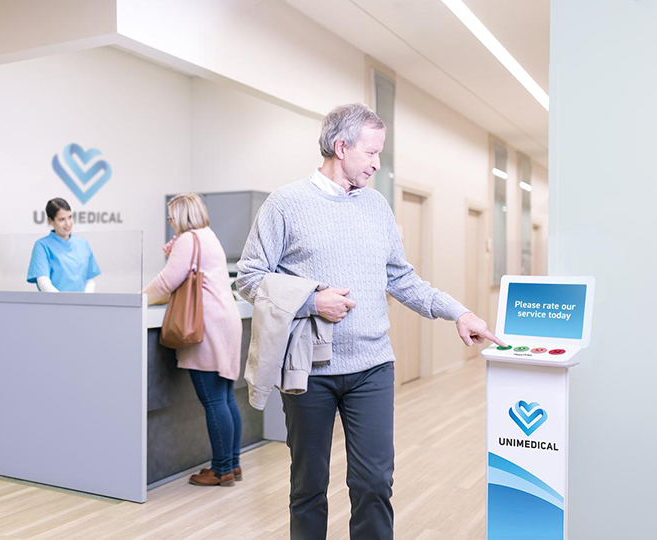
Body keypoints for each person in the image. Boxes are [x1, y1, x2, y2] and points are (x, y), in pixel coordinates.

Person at [236, 103, 505, 539]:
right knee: (308, 486)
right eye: (372, 153)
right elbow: (248, 278)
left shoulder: (377, 206)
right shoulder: (286, 203)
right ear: (341, 147)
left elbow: (401, 278)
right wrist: (312, 300)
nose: (379, 164)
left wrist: (458, 311)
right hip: (311, 371)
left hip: (373, 367)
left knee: (374, 483)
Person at [144, 193, 244, 487]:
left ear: (182, 216)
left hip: (207, 326)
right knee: (226, 397)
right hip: (225, 322)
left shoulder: (188, 241)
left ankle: (221, 469)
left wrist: (138, 299)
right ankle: (233, 464)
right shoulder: (207, 236)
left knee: (213, 400)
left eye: (172, 215)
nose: (170, 221)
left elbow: (166, 282)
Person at [27, 198, 100, 292]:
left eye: (70, 217)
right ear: (51, 221)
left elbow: (89, 280)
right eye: (62, 220)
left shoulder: (83, 244)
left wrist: (85, 301)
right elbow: (43, 282)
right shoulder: (42, 246)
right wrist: (62, 302)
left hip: (82, 304)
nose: (68, 223)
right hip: (55, 304)